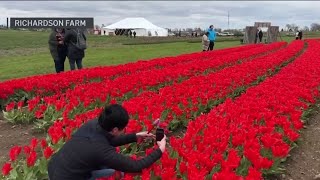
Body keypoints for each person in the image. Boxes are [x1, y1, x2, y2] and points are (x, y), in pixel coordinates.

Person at [47, 104, 167, 180]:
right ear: (115, 129)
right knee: (116, 173)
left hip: (56, 167)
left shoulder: (93, 124)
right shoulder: (100, 150)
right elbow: (135, 166)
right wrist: (160, 150)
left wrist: (135, 136)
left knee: (109, 167)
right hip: (69, 177)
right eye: (123, 129)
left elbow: (109, 140)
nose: (124, 130)